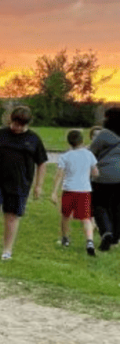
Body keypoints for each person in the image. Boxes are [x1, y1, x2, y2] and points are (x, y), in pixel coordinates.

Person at [0, 105, 48, 261]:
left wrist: (39, 185)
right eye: (15, 123)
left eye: (21, 125)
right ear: (11, 120)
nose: (17, 127)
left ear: (27, 124)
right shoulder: (0, 135)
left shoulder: (33, 139)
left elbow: (42, 163)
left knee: (11, 216)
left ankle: (7, 251)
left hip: (19, 183)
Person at [50, 129, 98, 255]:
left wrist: (54, 192)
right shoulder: (89, 155)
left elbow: (59, 175)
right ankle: (89, 241)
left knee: (65, 216)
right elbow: (95, 172)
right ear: (82, 141)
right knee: (86, 218)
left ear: (69, 142)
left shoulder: (65, 156)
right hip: (84, 190)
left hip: (69, 189)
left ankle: (65, 238)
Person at [89, 106, 120, 252]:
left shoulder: (104, 134)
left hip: (103, 176)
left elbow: (91, 153)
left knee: (99, 205)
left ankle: (106, 232)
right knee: (116, 207)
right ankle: (115, 238)